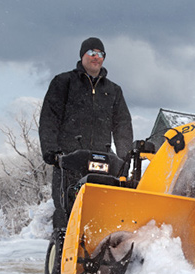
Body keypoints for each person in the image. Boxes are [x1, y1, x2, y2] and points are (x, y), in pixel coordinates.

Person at [39, 37, 133, 233]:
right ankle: (62, 256)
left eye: (100, 54)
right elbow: (50, 118)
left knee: (101, 211)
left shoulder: (113, 91)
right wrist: (52, 152)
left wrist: (125, 158)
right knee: (67, 210)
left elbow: (122, 125)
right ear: (82, 55)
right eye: (91, 52)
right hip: (69, 160)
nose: (96, 57)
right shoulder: (64, 83)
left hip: (102, 161)